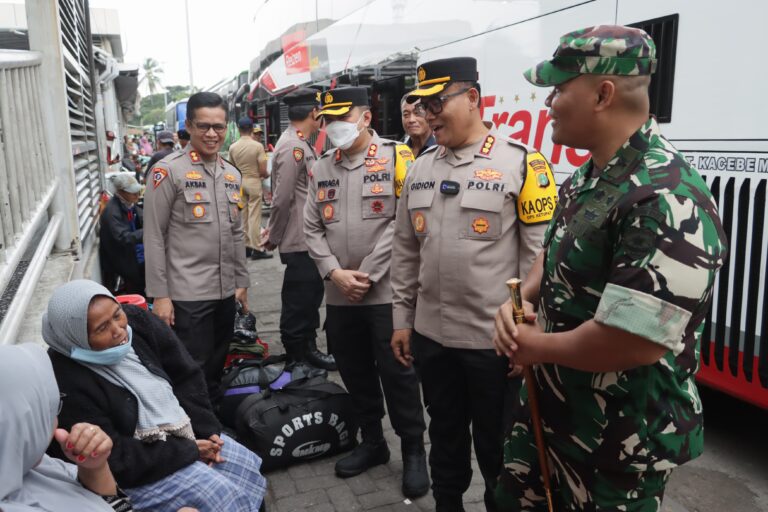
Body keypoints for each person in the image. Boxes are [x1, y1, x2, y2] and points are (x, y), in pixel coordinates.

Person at [492, 26, 728, 511]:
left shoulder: (664, 195)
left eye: (559, 88)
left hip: (616, 445)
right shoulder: (592, 173)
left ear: (602, 94)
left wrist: (536, 347)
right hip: (556, 415)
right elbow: (554, 249)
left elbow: (633, 339)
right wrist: (525, 301)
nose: (549, 102)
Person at [390, 57, 557, 511]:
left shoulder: (521, 164)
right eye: (421, 104)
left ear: (473, 99)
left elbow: (539, 258)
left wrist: (528, 334)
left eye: (437, 102)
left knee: (497, 447)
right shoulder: (419, 168)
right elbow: (405, 252)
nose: (427, 114)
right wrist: (402, 321)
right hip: (432, 339)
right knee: (443, 437)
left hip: (494, 344)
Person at [43, 279, 267, 512]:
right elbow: (117, 459)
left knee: (245, 463)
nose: (118, 330)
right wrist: (189, 452)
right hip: (134, 471)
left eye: (117, 315)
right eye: (101, 328)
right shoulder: (66, 378)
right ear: (77, 337)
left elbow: (186, 375)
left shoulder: (137, 322)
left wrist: (207, 433)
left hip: (185, 435)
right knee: (218, 494)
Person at [304, 87, 428, 497]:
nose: (334, 127)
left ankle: (413, 451)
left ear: (366, 118)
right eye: (329, 120)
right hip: (340, 296)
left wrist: (367, 274)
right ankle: (372, 442)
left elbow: (405, 222)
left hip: (386, 295)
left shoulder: (396, 157)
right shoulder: (322, 166)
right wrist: (334, 273)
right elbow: (311, 227)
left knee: (399, 375)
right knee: (354, 371)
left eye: (344, 118)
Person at [143, 91, 250, 406]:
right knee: (192, 369)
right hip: (187, 295)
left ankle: (214, 425)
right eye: (204, 126)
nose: (212, 134)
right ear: (188, 125)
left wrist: (241, 283)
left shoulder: (231, 174)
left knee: (217, 364)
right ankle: (198, 434)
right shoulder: (168, 171)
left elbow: (236, 232)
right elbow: (153, 235)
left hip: (225, 292)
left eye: (219, 126)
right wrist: (160, 295)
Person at [0, 343, 133, 512]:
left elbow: (116, 506)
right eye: (49, 409)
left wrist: (95, 468)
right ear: (19, 424)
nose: (56, 419)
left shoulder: (35, 467)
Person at [261, 87, 336, 371]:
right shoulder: (292, 146)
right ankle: (297, 356)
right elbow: (281, 199)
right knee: (299, 302)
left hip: (308, 239)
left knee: (309, 299)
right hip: (298, 239)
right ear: (314, 112)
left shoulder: (300, 143)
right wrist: (274, 235)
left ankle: (308, 350)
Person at [229, 117, 271, 260]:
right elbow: (263, 170)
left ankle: (246, 247)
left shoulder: (233, 147)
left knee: (243, 216)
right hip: (253, 182)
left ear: (239, 129)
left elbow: (230, 168)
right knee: (255, 217)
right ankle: (257, 248)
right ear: (251, 129)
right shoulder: (257, 146)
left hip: (240, 183)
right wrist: (266, 175)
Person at [99, 173, 145, 296]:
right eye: (133, 192)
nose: (137, 195)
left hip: (133, 251)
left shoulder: (128, 203)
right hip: (121, 258)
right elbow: (123, 238)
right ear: (120, 192)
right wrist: (146, 232)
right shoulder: (112, 213)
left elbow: (140, 215)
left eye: (138, 191)